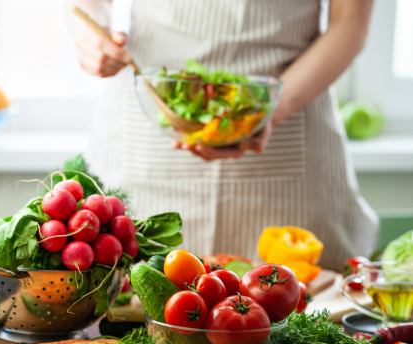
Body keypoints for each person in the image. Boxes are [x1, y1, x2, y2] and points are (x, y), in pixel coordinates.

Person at [65, 0, 378, 271]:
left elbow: (349, 22)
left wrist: (270, 110)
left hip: (291, 113)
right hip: (146, 125)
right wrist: (92, 34)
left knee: (306, 309)